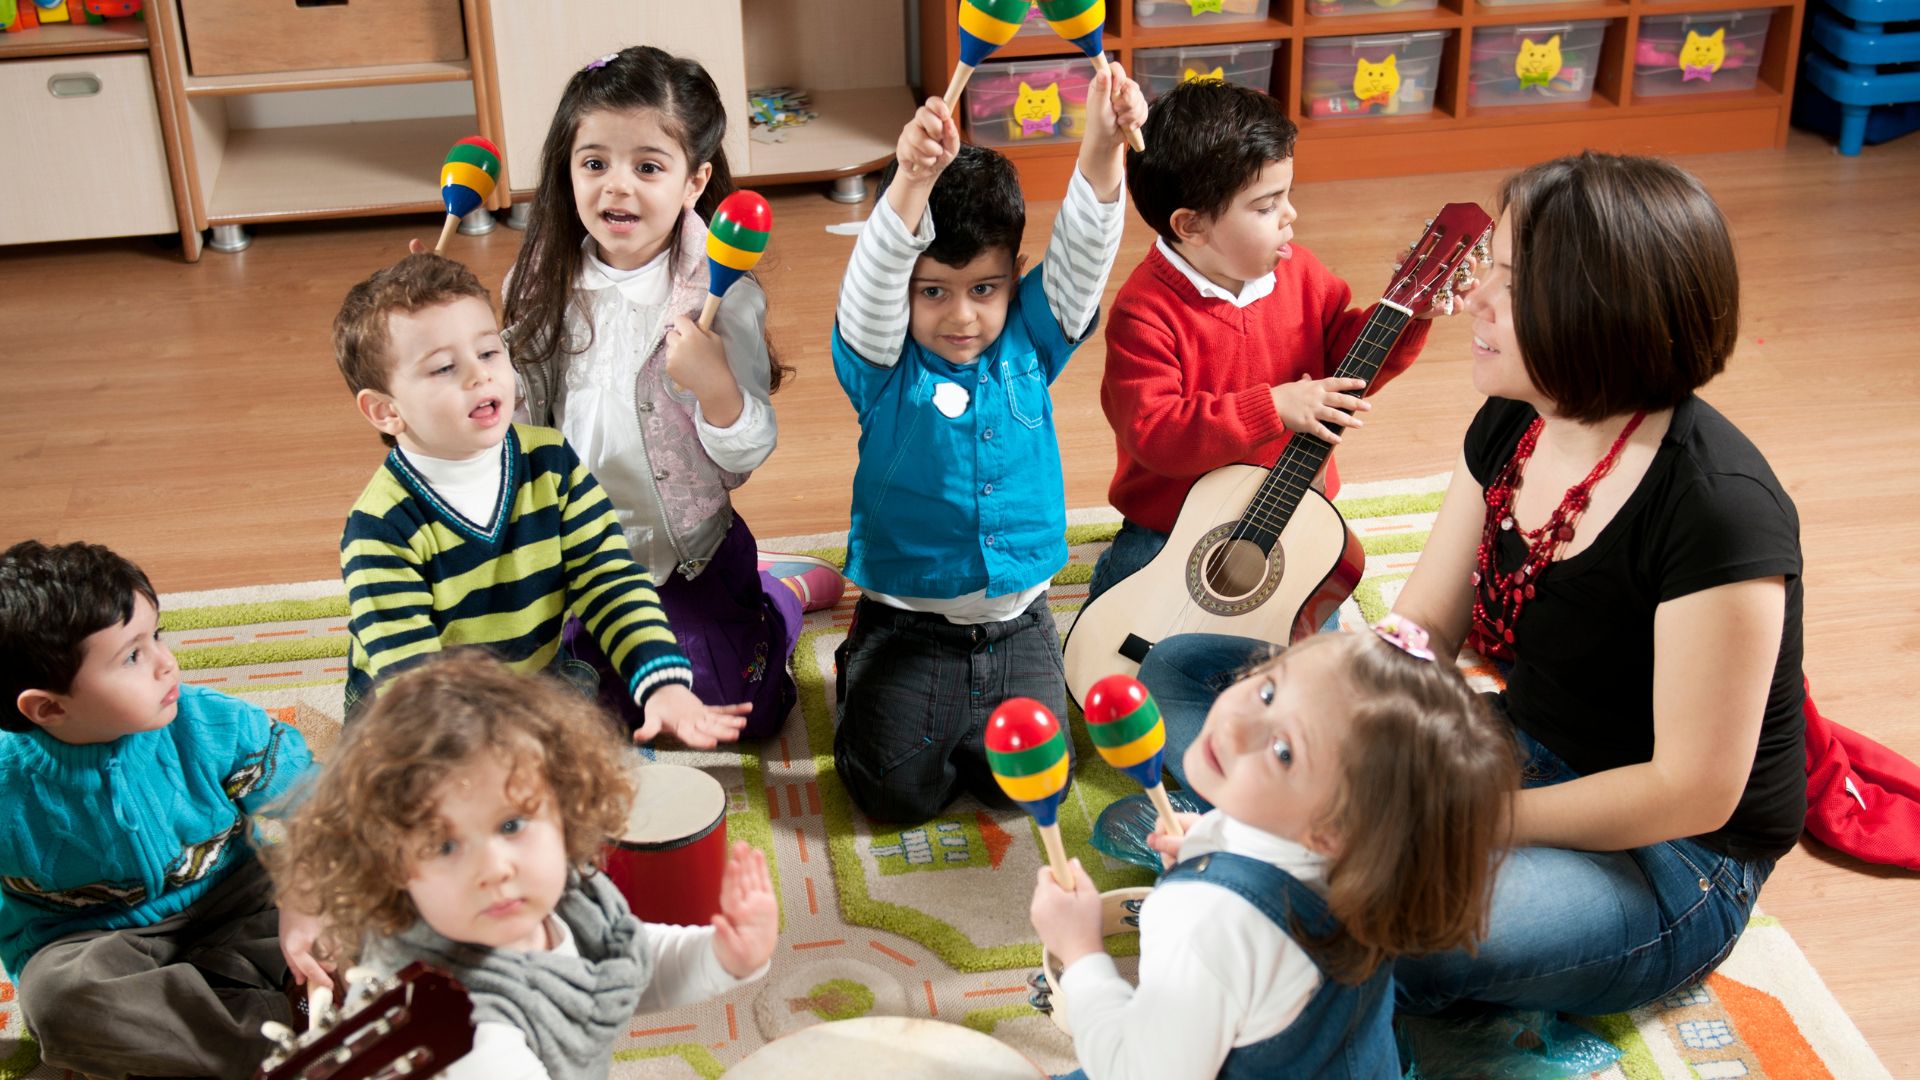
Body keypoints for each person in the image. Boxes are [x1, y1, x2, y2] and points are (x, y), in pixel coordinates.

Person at [1138, 151, 1805, 1018]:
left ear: (1595, 309)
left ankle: (1253, 845)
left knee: (1391, 935)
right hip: (1508, 749)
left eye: (1510, 285)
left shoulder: (1719, 509)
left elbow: (1692, 790)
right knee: (1186, 670)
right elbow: (1422, 627)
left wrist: (1470, 819)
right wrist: (1331, 718)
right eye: (1489, 270)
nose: (1475, 302)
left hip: (1668, 856)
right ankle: (1266, 837)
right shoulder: (1515, 417)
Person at [828, 66, 1148, 823]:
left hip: (1020, 623)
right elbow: (871, 284)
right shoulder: (882, 363)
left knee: (1036, 788)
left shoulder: (1033, 342)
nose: (961, 315)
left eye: (985, 289)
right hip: (908, 627)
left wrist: (1102, 145)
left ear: (1014, 279)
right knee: (892, 795)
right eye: (932, 291)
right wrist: (909, 182)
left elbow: (1083, 249)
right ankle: (862, 670)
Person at [498, 44, 836, 740]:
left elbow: (742, 454)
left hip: (687, 554)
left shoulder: (720, 289)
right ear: (568, 170)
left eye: (648, 167)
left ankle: (778, 593)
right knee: (576, 713)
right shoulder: (535, 282)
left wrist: (715, 384)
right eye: (595, 163)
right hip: (580, 553)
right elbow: (516, 419)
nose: (616, 188)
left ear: (694, 181)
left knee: (737, 713)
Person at [1030, 619, 1515, 1080]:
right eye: (1268, 692)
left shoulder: (1203, 921)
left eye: (1285, 752)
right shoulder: (1373, 867)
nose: (1238, 723)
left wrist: (1081, 953)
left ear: (1331, 832)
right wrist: (1211, 841)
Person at [267, 649, 777, 1079]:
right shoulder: (462, 1025)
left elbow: (630, 961)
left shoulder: (575, 903)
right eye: (445, 847)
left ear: (565, 808)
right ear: (394, 866)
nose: (494, 868)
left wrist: (724, 955)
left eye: (511, 825)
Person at [333, 252, 746, 748]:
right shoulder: (380, 527)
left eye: (488, 353)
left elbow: (608, 579)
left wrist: (663, 684)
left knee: (603, 783)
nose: (479, 376)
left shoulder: (550, 462)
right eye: (444, 367)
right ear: (385, 411)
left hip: (530, 684)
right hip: (415, 716)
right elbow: (412, 678)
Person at [1088, 80, 1451, 605]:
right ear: (1191, 226)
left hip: (1290, 504)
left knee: (1308, 633)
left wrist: (1408, 316)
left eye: (1289, 195)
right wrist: (1274, 407)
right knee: (1121, 620)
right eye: (1265, 205)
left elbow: (1349, 364)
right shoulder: (1144, 312)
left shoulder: (1301, 273)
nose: (1290, 216)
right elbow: (1157, 433)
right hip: (1173, 519)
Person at [0, 540, 316, 1078]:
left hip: (238, 898)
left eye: (156, 636)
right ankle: (282, 1038)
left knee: (373, 907)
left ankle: (244, 1020)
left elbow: (321, 806)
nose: (167, 664)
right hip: (91, 941)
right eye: (132, 656)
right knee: (60, 1002)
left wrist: (309, 900)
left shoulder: (213, 723)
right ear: (48, 707)